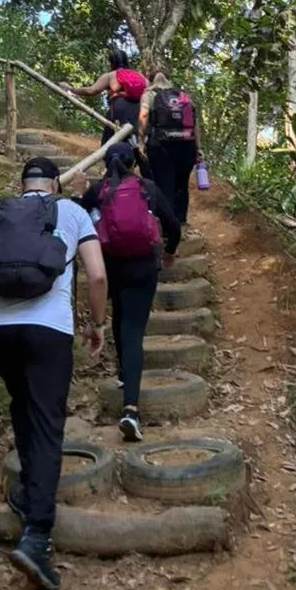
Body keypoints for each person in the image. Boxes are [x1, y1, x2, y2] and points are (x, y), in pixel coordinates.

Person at [0, 156, 108, 590]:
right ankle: (37, 537)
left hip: (0, 330)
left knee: (22, 406)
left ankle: (30, 493)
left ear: (22, 185)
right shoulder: (72, 212)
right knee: (48, 423)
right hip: (50, 330)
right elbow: (98, 273)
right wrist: (96, 324)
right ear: (55, 185)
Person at [77, 141, 180, 442]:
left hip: (111, 267)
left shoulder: (98, 191)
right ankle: (131, 411)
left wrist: (81, 191)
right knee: (133, 330)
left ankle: (124, 374)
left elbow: (77, 216)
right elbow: (173, 225)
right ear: (133, 163)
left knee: (121, 315)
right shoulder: (146, 187)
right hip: (144, 266)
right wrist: (170, 251)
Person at [138, 69, 204, 226]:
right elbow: (195, 124)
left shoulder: (149, 94)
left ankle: (167, 227)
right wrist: (198, 148)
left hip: (161, 146)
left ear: (151, 79)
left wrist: (141, 141)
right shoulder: (184, 96)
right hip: (186, 147)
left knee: (164, 184)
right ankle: (181, 222)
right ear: (169, 79)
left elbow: (144, 115)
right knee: (181, 185)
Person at [70, 49, 148, 146]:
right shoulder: (140, 76)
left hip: (119, 110)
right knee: (140, 141)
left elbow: (91, 90)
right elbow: (149, 91)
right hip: (140, 111)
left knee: (111, 144)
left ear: (111, 63)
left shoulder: (110, 75)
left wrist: (72, 89)